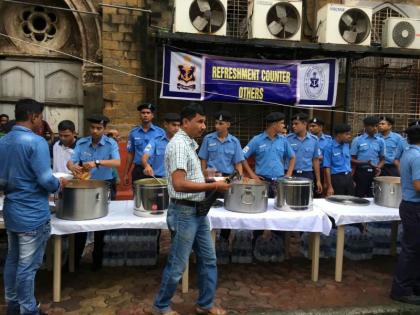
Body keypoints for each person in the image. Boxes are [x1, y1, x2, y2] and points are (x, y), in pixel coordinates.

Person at [153, 103, 230, 315]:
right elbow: (179, 183)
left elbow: (190, 178)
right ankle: (160, 307)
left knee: (209, 259)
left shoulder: (189, 144)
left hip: (198, 211)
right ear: (185, 122)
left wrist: (211, 179)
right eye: (200, 121)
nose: (204, 126)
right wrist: (214, 185)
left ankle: (205, 304)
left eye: (205, 121)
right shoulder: (178, 145)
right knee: (178, 265)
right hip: (184, 212)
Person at [0, 98, 66, 315]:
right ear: (33, 116)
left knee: (13, 259)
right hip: (32, 213)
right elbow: (46, 180)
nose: (42, 121)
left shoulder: (3, 141)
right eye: (40, 116)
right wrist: (59, 184)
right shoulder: (36, 142)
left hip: (12, 209)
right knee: (27, 267)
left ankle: (13, 304)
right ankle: (28, 310)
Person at [67, 114, 121, 270]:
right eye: (93, 128)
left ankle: (98, 260)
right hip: (84, 186)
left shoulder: (111, 144)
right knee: (81, 224)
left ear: (104, 129)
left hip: (105, 186)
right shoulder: (82, 143)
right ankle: (74, 261)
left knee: (101, 224)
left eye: (99, 128)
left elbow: (117, 162)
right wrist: (71, 166)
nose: (95, 131)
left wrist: (97, 162)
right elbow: (72, 160)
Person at [390, 123, 420, 305]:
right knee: (411, 250)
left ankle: (414, 285)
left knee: (415, 250)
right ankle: (401, 290)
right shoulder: (417, 156)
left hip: (411, 206)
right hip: (415, 207)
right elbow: (418, 186)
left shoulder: (408, 152)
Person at [242, 112, 295, 198]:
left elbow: (292, 157)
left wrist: (288, 175)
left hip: (279, 181)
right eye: (281, 123)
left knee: (278, 208)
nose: (283, 125)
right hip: (262, 181)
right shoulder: (257, 140)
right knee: (261, 208)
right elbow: (242, 156)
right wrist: (252, 175)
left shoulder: (283, 140)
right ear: (274, 124)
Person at [123, 103, 165, 185]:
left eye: (148, 113)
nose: (145, 115)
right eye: (143, 113)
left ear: (152, 115)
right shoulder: (133, 133)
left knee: (156, 196)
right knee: (138, 195)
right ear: (140, 115)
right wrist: (126, 173)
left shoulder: (160, 132)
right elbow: (130, 154)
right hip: (139, 170)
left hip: (156, 170)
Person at [198, 110, 244, 178]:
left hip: (228, 177)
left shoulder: (234, 142)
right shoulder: (208, 139)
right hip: (211, 176)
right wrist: (203, 176)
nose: (217, 126)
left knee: (227, 188)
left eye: (220, 123)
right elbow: (203, 160)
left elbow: (238, 164)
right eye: (216, 123)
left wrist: (238, 179)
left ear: (228, 125)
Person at [287, 113, 323, 194]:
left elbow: (315, 160)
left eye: (296, 124)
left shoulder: (314, 140)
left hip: (307, 174)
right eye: (293, 124)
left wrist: (318, 180)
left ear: (304, 124)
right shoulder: (288, 139)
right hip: (291, 173)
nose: (293, 126)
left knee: (306, 200)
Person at [350, 116, 385, 197]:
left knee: (373, 197)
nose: (375, 128)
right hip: (360, 172)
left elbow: (383, 159)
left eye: (376, 126)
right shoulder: (357, 140)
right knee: (359, 197)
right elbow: (352, 159)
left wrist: (378, 168)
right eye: (372, 126)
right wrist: (365, 162)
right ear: (365, 126)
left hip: (375, 173)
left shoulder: (380, 141)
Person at [142, 113, 181, 178]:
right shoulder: (155, 141)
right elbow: (144, 157)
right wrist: (146, 165)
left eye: (178, 125)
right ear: (165, 124)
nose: (177, 128)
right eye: (174, 125)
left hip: (177, 180)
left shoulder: (183, 142)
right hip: (158, 179)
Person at [323, 123, 354, 196]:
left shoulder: (346, 145)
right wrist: (329, 186)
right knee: (338, 203)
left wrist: (351, 179)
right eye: (346, 134)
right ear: (339, 135)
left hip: (348, 177)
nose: (349, 136)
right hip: (337, 178)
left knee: (351, 202)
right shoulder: (329, 147)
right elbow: (327, 167)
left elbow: (348, 163)